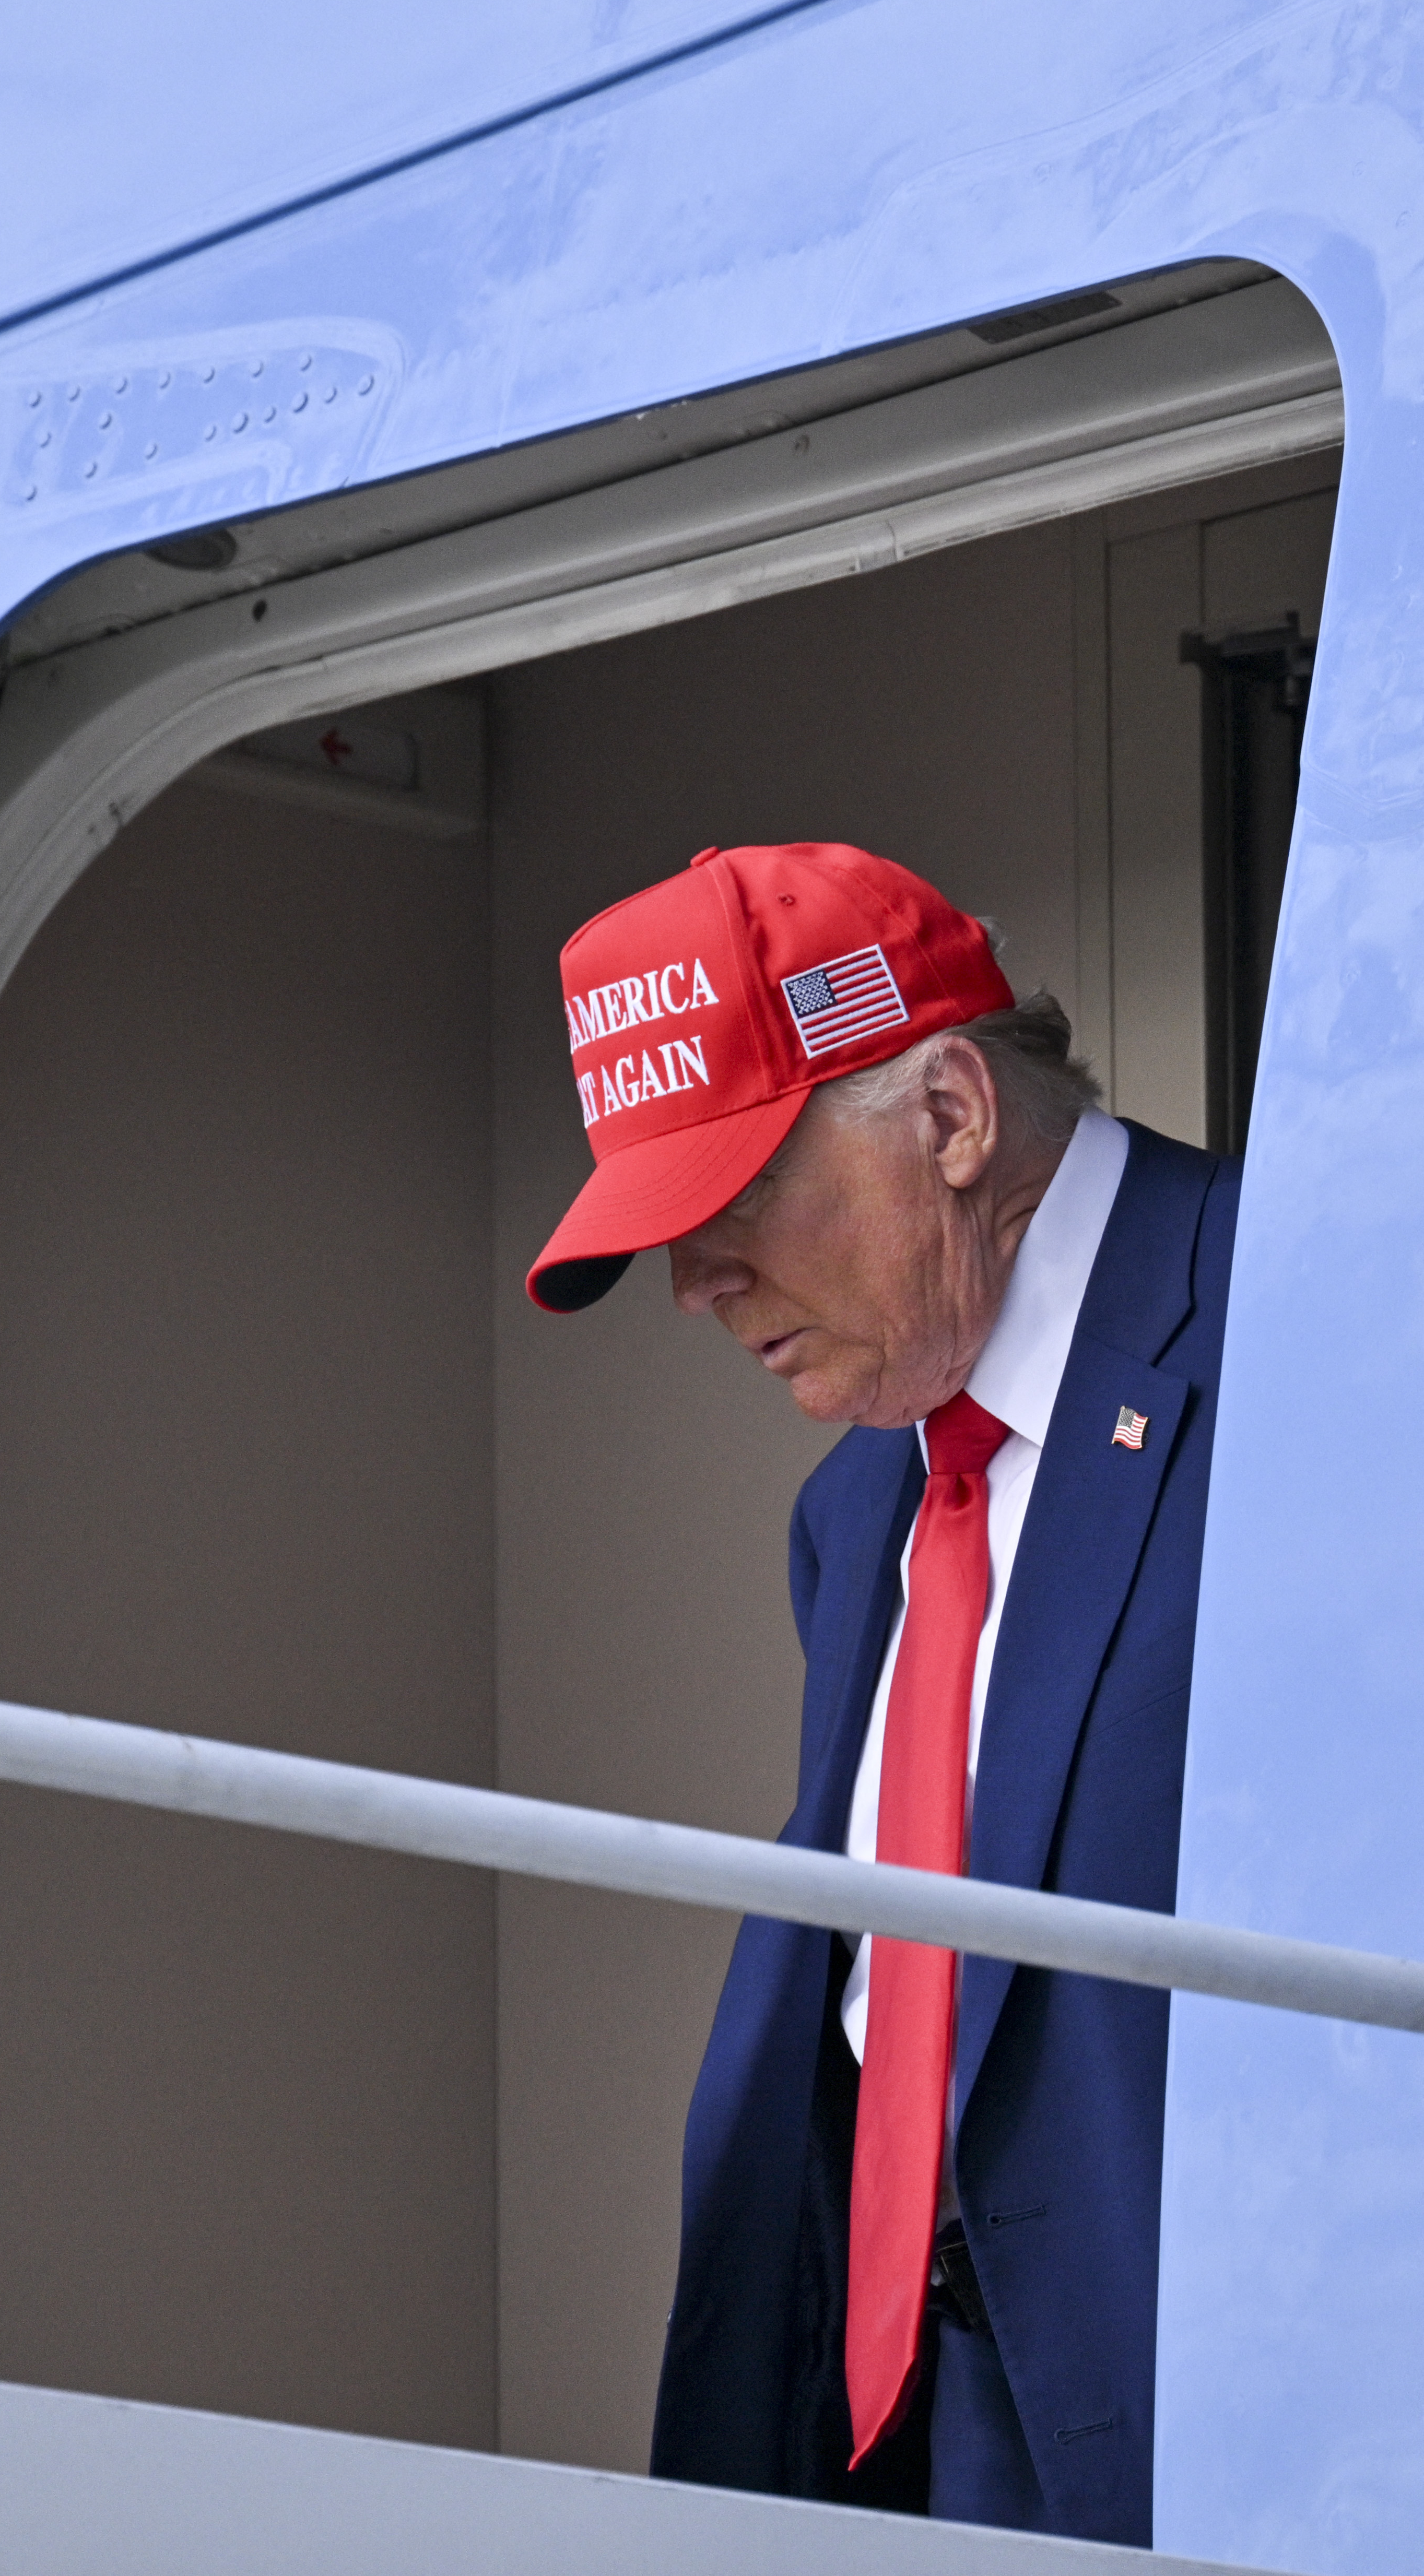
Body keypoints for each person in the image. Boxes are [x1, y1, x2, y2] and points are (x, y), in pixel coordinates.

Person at [526, 841, 1240, 2547]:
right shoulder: (860, 1500)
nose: (697, 1288)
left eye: (735, 1208)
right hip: (895, 2420)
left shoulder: (1312, 1330)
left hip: (1207, 2436)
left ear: (951, 1117)